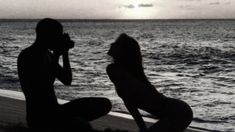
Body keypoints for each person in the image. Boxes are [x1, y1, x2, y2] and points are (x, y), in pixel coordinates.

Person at [17, 18, 111, 132]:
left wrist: (65, 53)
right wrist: (56, 55)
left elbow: (67, 80)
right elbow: (43, 86)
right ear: (46, 35)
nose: (58, 39)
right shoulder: (28, 55)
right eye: (56, 35)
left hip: (55, 110)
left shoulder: (48, 55)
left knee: (104, 104)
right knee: (81, 126)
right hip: (40, 117)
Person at [106, 33, 193, 132]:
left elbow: (129, 101)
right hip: (178, 110)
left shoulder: (115, 71)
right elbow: (129, 102)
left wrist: (142, 128)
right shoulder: (128, 73)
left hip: (177, 112)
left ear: (123, 50)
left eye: (116, 43)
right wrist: (142, 128)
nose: (112, 44)